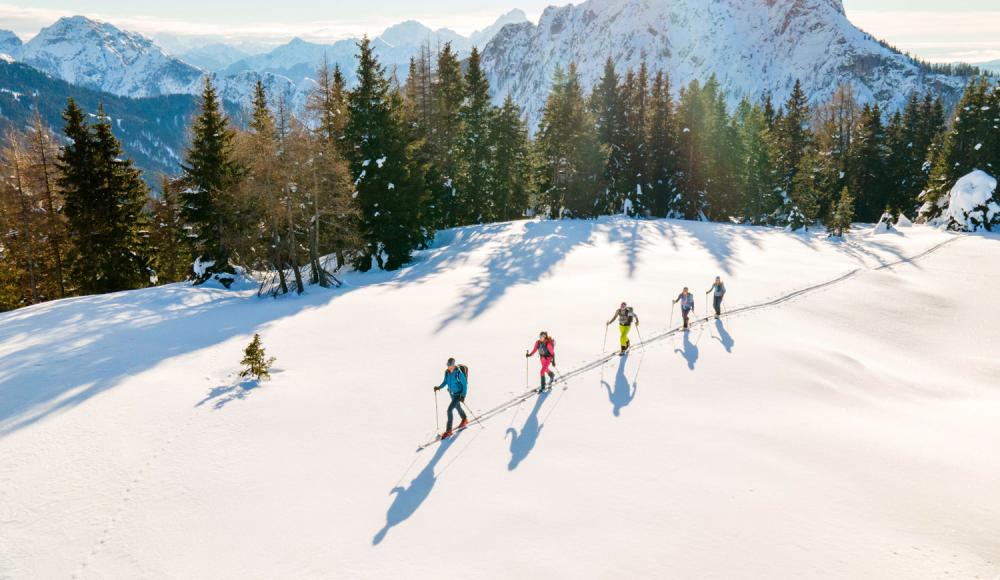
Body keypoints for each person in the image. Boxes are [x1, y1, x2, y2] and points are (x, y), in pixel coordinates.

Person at [433, 358, 468, 439]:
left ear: (453, 364)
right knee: (457, 407)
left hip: (458, 395)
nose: (449, 367)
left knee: (449, 410)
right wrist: (439, 387)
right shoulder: (447, 372)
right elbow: (445, 381)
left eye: (451, 365)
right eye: (448, 365)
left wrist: (463, 396)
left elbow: (465, 385)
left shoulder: (459, 373)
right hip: (451, 393)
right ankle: (464, 419)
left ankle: (449, 430)